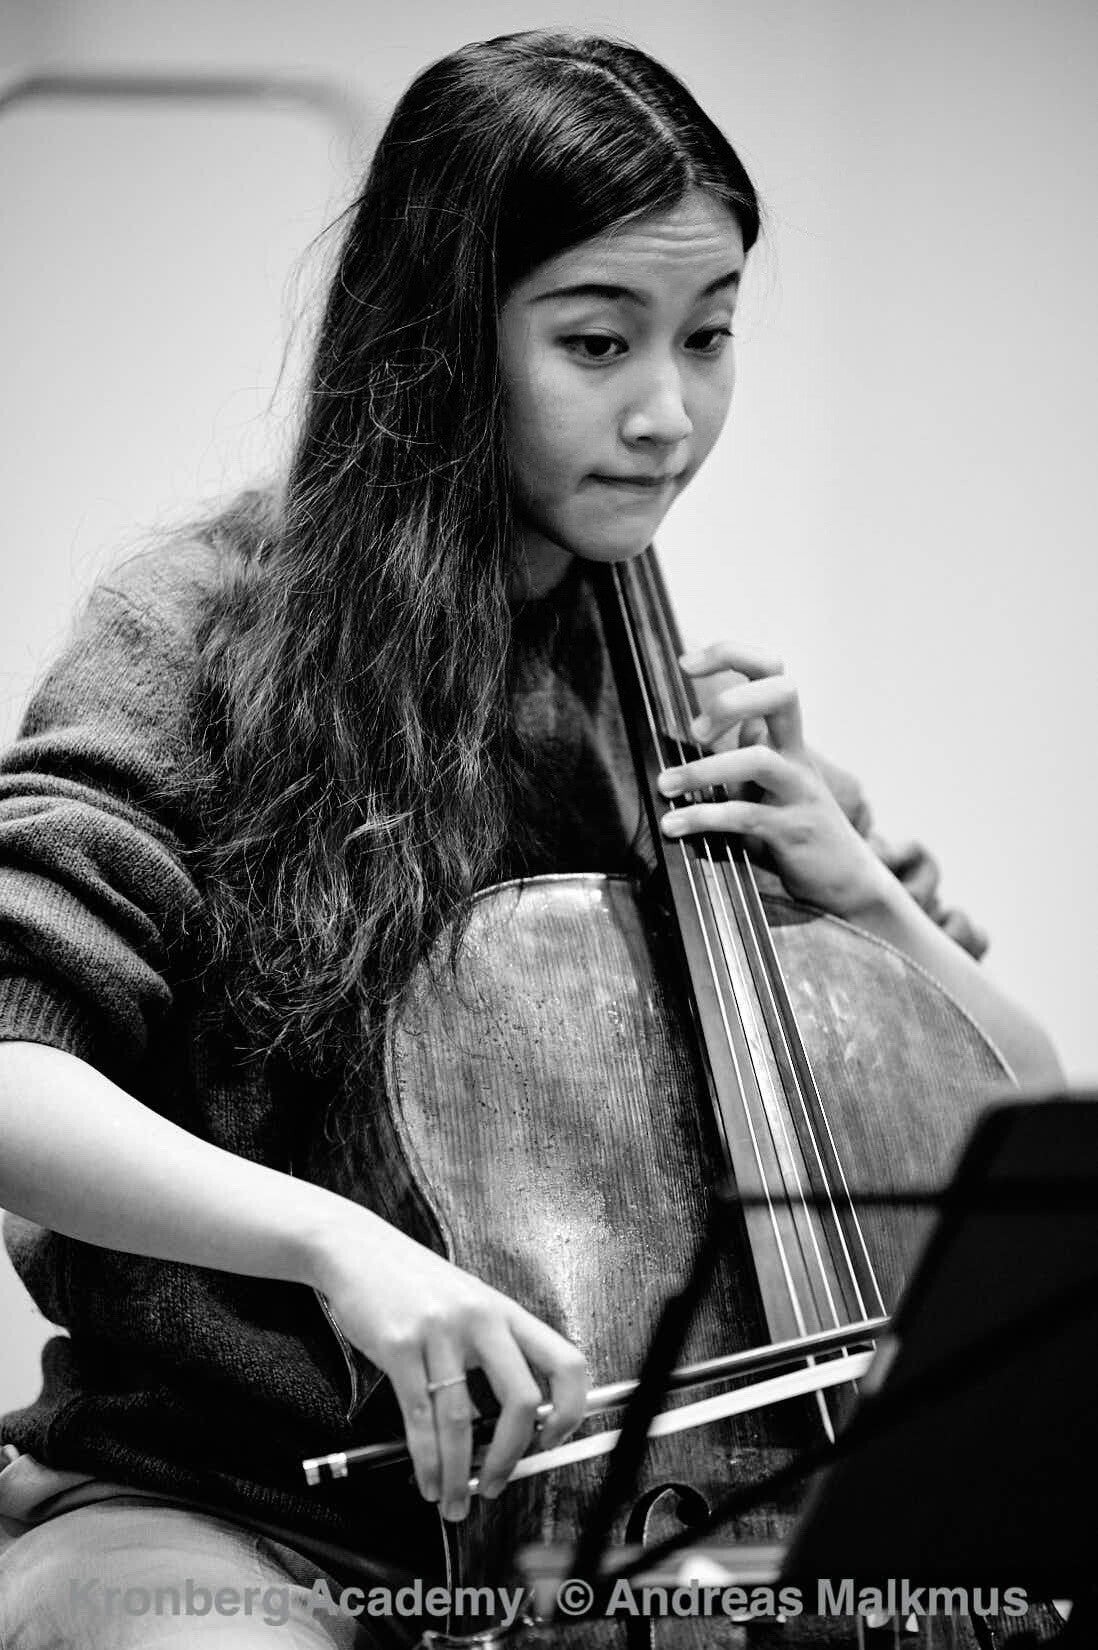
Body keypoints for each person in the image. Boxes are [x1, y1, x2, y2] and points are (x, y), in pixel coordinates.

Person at [0, 27, 1062, 1650]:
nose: (667, 413)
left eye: (708, 336)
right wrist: (331, 1239)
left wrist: (864, 900)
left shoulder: (691, 725)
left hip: (630, 1550)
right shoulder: (196, 639)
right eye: (596, 341)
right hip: (225, 1511)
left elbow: (1018, 1119)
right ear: (442, 341)